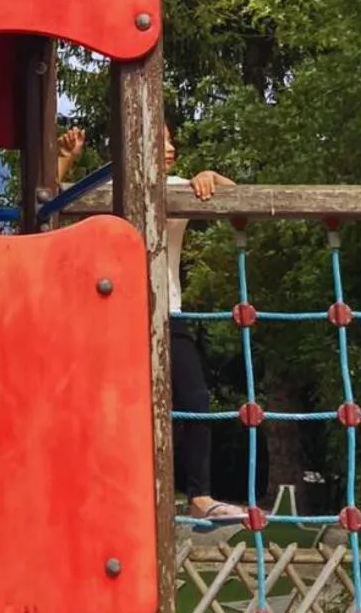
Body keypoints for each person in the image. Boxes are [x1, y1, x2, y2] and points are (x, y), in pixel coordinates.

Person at [56, 122, 246, 526]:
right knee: (109, 409)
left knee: (194, 401)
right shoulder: (105, 193)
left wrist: (213, 177)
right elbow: (46, 205)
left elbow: (242, 201)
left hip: (167, 312)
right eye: (160, 141)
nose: (172, 147)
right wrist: (66, 160)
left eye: (172, 139)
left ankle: (200, 497)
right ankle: (96, 494)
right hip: (109, 318)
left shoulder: (178, 186)